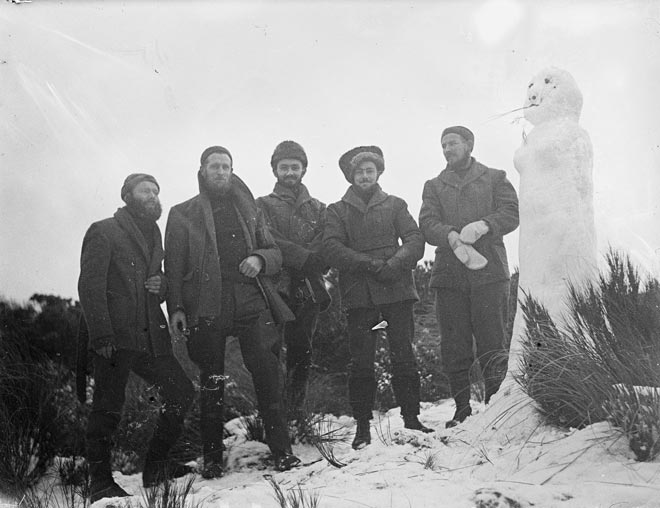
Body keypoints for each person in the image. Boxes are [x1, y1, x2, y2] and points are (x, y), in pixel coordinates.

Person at [164, 146, 300, 477]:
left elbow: (274, 252)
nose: (221, 172)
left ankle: (283, 452)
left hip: (250, 300)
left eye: (226, 166)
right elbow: (174, 268)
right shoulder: (182, 213)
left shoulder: (249, 208)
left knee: (267, 372)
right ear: (202, 170)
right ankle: (212, 459)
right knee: (212, 380)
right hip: (207, 305)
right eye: (215, 166)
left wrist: (259, 259)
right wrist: (177, 309)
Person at [78, 174, 194, 503]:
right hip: (115, 336)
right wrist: (101, 334)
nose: (153, 195)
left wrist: (163, 286)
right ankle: (100, 482)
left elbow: (156, 283)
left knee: (181, 391)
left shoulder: (154, 233)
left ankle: (156, 467)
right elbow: (90, 286)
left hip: (149, 336)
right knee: (107, 407)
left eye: (156, 191)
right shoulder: (103, 230)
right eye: (146, 190)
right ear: (127, 195)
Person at [324, 145, 432, 450]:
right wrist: (369, 264)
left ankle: (411, 419)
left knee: (404, 356)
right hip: (359, 296)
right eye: (358, 172)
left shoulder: (396, 204)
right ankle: (362, 426)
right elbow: (331, 246)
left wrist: (395, 264)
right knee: (361, 363)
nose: (364, 176)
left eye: (369, 170)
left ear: (378, 172)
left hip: (396, 291)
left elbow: (414, 238)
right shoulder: (337, 210)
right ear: (350, 176)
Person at [419, 126, 519, 428]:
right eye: (443, 145)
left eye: (453, 143)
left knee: (492, 340)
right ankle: (462, 409)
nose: (448, 149)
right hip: (450, 273)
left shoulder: (494, 177)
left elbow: (512, 213)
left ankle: (495, 406)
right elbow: (426, 221)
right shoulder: (434, 185)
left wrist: (485, 225)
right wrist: (449, 236)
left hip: (489, 271)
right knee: (454, 343)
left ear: (469, 144)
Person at [256, 141, 331, 422]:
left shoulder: (320, 208)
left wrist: (313, 259)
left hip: (308, 288)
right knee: (270, 353)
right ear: (275, 169)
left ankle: (296, 413)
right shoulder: (261, 205)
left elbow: (327, 237)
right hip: (275, 288)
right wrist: (304, 257)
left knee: (302, 351)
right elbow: (268, 236)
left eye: (294, 167)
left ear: (304, 170)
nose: (289, 172)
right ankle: (272, 418)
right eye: (284, 166)